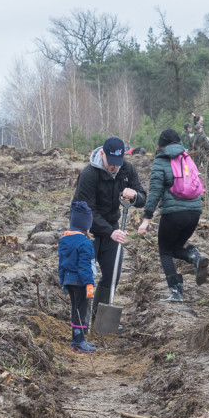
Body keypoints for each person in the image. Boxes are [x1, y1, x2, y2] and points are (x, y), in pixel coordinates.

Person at [70, 137, 146, 323]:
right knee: (83, 276)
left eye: (117, 163)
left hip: (112, 227)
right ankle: (81, 321)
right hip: (85, 230)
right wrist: (109, 231)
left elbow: (143, 197)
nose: (114, 167)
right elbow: (86, 210)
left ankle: (100, 320)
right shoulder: (89, 174)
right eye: (111, 163)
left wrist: (135, 195)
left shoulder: (127, 170)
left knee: (112, 274)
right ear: (102, 154)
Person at [137, 129, 208, 302]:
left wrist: (146, 219)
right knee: (175, 248)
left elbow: (154, 192)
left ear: (161, 145)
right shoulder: (187, 158)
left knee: (165, 251)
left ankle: (176, 292)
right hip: (195, 213)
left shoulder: (161, 161)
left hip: (174, 214)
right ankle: (195, 257)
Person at [58, 201, 97, 353]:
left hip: (69, 280)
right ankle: (80, 341)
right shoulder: (85, 243)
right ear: (86, 225)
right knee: (81, 309)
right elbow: (84, 266)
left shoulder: (64, 241)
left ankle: (75, 340)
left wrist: (63, 281)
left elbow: (62, 264)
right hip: (81, 282)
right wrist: (89, 284)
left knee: (75, 309)